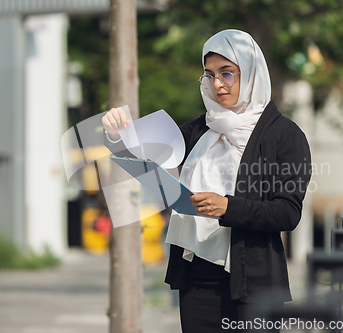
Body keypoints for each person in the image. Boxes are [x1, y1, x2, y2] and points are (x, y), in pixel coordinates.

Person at [102, 29, 311, 333]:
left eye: (227, 73)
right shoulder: (200, 130)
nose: (217, 85)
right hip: (196, 281)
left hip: (253, 286)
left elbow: (287, 212)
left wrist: (227, 207)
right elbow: (147, 159)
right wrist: (117, 135)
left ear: (251, 72)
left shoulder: (285, 135)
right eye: (209, 75)